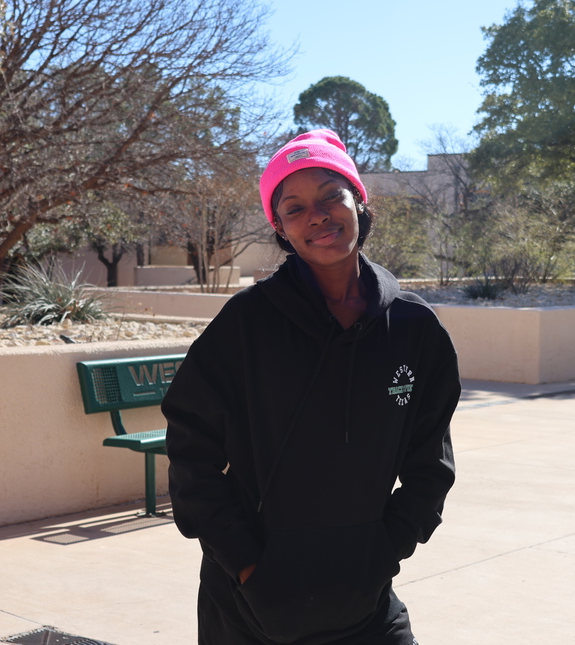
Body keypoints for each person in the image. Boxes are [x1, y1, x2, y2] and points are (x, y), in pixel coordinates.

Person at [162, 129, 461, 645]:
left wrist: (382, 552)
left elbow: (430, 465)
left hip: (366, 602)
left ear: (358, 202)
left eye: (330, 195)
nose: (317, 215)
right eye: (294, 207)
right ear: (280, 228)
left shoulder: (414, 331)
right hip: (249, 606)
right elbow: (191, 454)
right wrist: (247, 565)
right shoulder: (245, 326)